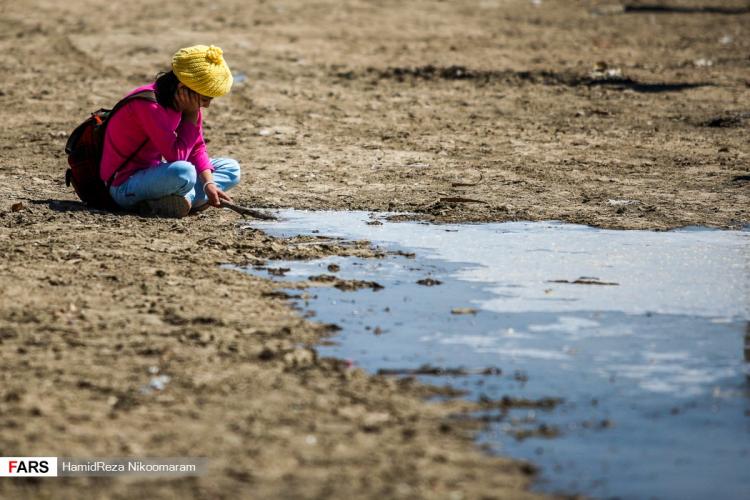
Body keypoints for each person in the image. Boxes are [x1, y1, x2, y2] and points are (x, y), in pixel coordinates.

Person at [101, 44, 240, 218]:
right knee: (184, 172)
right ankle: (188, 200)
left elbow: (196, 148)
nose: (207, 105)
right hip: (123, 186)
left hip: (154, 173)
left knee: (231, 169)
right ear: (183, 88)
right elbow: (177, 156)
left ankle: (181, 201)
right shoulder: (149, 105)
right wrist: (190, 117)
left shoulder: (185, 104)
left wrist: (209, 184)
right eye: (205, 99)